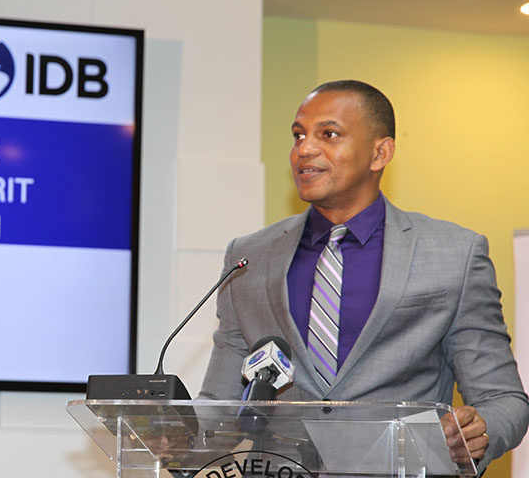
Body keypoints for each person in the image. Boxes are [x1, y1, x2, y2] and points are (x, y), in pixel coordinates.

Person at [198, 80, 529, 471]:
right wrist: (172, 431)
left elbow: (504, 399)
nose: (304, 148)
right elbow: (219, 405)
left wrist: (479, 431)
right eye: (298, 135)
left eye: (329, 134)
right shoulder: (249, 256)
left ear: (380, 152)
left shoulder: (454, 253)